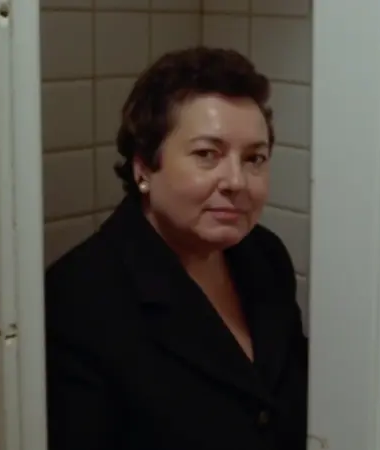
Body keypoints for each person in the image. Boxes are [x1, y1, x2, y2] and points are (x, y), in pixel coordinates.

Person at [45, 46, 308, 450]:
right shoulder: (79, 299)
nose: (237, 181)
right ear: (144, 168)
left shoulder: (265, 256)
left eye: (254, 158)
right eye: (207, 154)